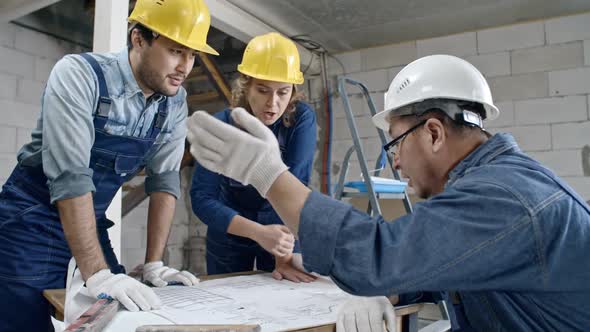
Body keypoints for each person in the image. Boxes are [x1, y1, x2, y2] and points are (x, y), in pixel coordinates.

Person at [186, 54, 590, 331]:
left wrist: (266, 174)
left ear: (432, 132)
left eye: (395, 144)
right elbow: (450, 262)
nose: (395, 163)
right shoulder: (500, 182)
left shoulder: (502, 197)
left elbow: (379, 253)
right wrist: (394, 291)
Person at [0, 0, 218, 330]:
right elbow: (70, 177)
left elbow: (164, 181)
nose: (185, 67)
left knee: (117, 318)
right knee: (26, 320)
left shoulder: (174, 102)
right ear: (139, 39)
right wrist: (98, 274)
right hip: (31, 220)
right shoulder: (78, 74)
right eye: (176, 51)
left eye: (192, 55)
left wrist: (154, 264)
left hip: (90, 220)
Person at [190, 32, 317, 283]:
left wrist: (282, 251)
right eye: (262, 90)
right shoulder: (222, 125)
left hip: (283, 226)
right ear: (245, 85)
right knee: (227, 299)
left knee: (285, 295)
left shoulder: (301, 118)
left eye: (283, 92)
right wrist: (257, 232)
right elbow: (202, 199)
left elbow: (296, 186)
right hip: (230, 229)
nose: (273, 103)